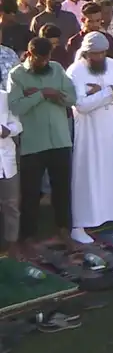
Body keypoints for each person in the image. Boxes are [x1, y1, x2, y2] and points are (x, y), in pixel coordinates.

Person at [66, 32, 113, 244]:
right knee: (89, 174)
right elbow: (81, 105)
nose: (100, 57)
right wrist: (109, 92)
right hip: (89, 133)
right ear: (87, 53)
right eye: (96, 54)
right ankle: (80, 224)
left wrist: (101, 92)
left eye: (103, 53)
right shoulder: (75, 71)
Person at [8, 38, 76, 258]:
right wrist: (43, 94)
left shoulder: (57, 69)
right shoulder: (17, 75)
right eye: (40, 58)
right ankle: (27, 237)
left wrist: (53, 95)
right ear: (30, 54)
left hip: (60, 140)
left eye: (47, 58)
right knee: (31, 193)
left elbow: (72, 98)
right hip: (33, 144)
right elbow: (16, 107)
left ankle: (64, 230)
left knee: (62, 189)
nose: (45, 62)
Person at [0, 84, 20, 255]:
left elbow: (18, 125)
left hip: (6, 160)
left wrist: (8, 130)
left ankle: (11, 244)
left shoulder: (4, 97)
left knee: (11, 205)